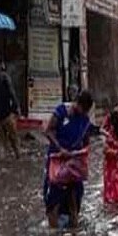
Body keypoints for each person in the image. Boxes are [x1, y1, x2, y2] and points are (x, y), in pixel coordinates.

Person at [43, 90, 94, 228]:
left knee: (75, 199)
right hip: (57, 161)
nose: (84, 113)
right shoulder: (61, 112)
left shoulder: (84, 120)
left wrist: (83, 152)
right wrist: (60, 148)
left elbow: (86, 141)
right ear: (78, 103)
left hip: (74, 163)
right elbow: (48, 131)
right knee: (53, 200)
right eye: (83, 109)